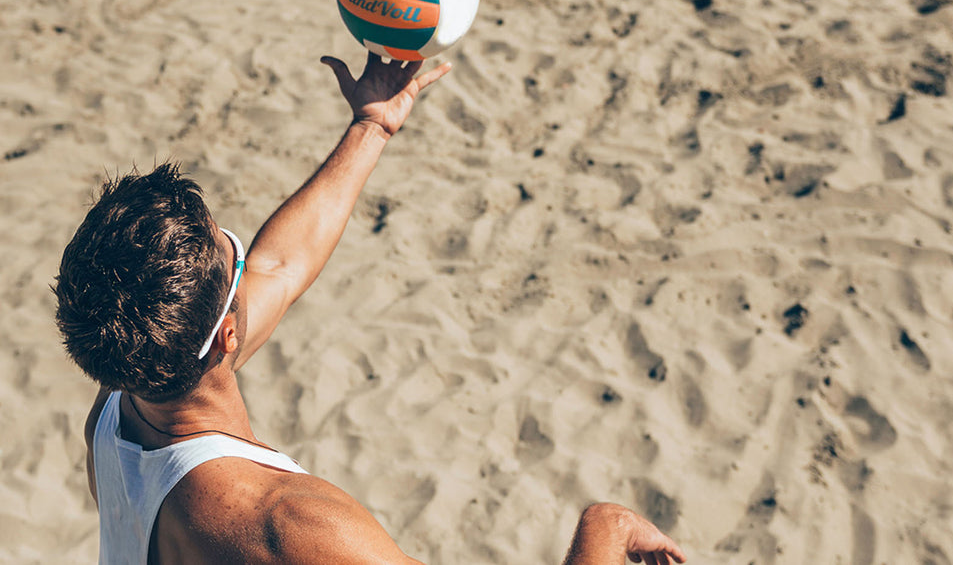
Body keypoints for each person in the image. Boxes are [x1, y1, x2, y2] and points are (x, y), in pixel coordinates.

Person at [54, 53, 687, 565]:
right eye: (234, 258)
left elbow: (280, 266)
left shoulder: (117, 407)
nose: (252, 266)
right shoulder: (290, 526)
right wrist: (604, 529)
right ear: (224, 336)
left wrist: (372, 126)